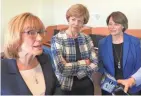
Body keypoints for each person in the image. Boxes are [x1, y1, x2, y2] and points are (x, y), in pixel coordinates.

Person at [1, 12, 60, 95]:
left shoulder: (46, 58)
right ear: (15, 36)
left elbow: (56, 87)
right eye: (31, 32)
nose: (40, 38)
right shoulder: (2, 69)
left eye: (40, 32)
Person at [51, 4, 98, 95]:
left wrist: (72, 67)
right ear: (68, 19)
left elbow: (95, 63)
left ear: (83, 22)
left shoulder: (87, 38)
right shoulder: (57, 38)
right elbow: (62, 68)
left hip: (86, 86)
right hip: (65, 86)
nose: (76, 23)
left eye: (80, 21)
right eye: (73, 19)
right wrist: (84, 62)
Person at [98, 11, 141, 95]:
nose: (112, 27)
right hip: (109, 88)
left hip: (131, 86)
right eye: (110, 24)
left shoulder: (135, 42)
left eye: (116, 24)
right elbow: (100, 65)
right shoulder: (102, 43)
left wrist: (132, 80)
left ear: (123, 26)